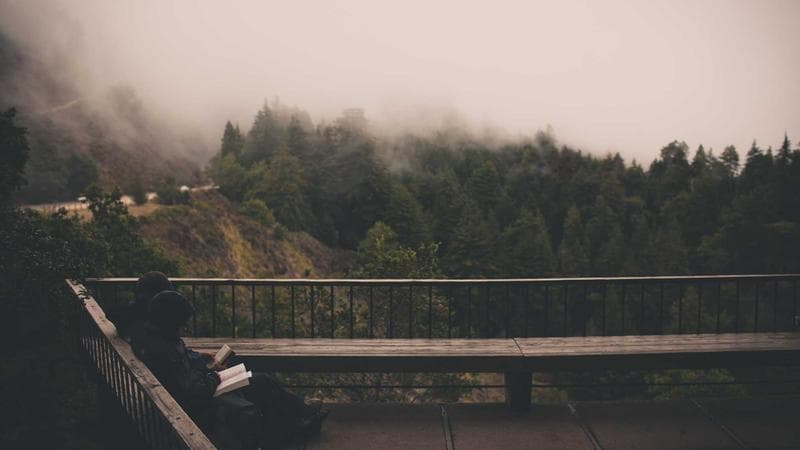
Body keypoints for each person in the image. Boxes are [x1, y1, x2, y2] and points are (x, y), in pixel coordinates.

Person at [132, 289, 327, 449]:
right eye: (181, 324)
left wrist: (201, 359)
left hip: (199, 390)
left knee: (258, 380)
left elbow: (184, 364)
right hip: (199, 404)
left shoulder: (158, 338)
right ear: (170, 322)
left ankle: (298, 421)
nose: (183, 329)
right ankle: (299, 420)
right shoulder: (163, 350)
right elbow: (192, 392)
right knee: (260, 383)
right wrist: (215, 377)